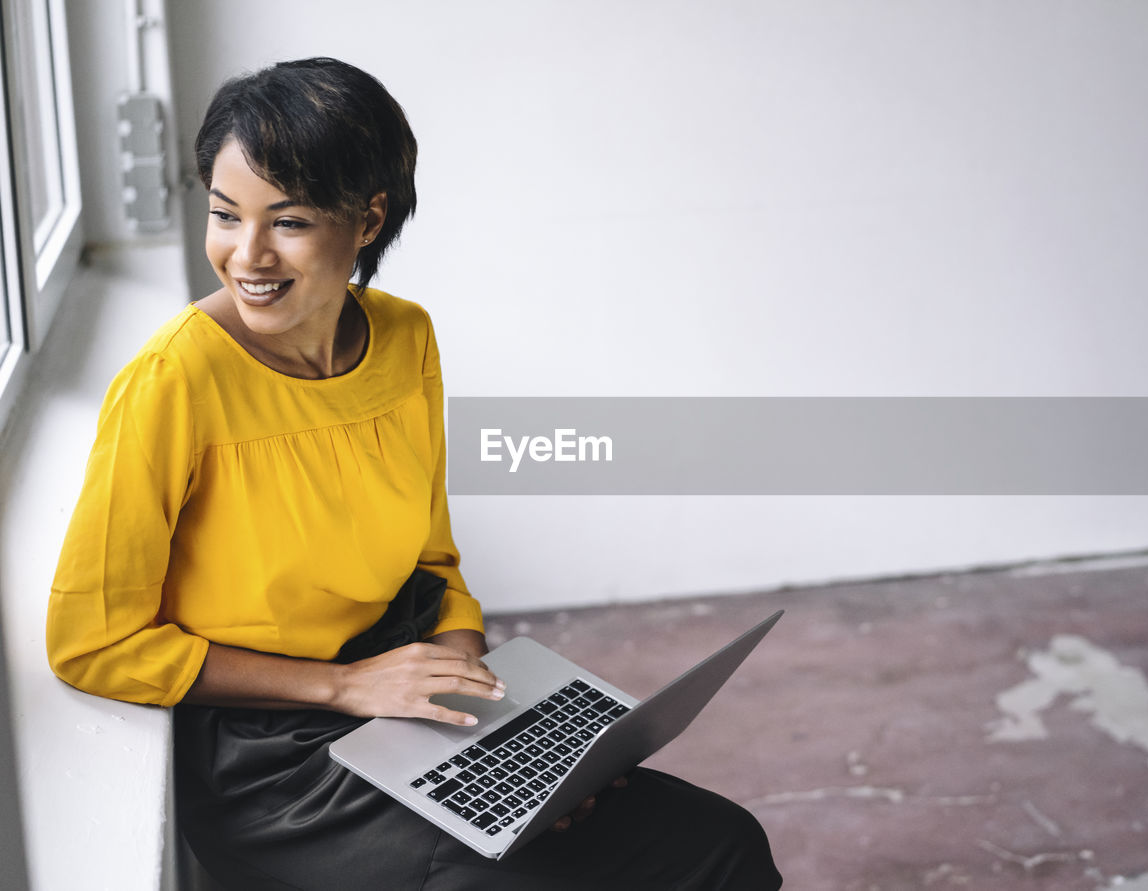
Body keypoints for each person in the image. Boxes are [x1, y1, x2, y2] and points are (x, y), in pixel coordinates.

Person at [45, 57, 782, 890]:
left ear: (367, 219)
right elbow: (94, 643)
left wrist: (477, 715)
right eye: (224, 214)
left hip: (407, 704)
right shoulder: (172, 382)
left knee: (724, 843)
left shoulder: (405, 339)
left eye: (287, 221)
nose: (246, 253)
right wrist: (343, 686)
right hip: (274, 768)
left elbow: (433, 565)